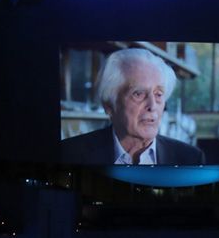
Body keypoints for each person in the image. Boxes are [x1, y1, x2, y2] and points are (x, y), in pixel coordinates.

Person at [61, 48, 206, 165]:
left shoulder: (191, 159)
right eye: (138, 94)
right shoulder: (69, 154)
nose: (152, 106)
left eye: (159, 94)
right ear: (109, 106)